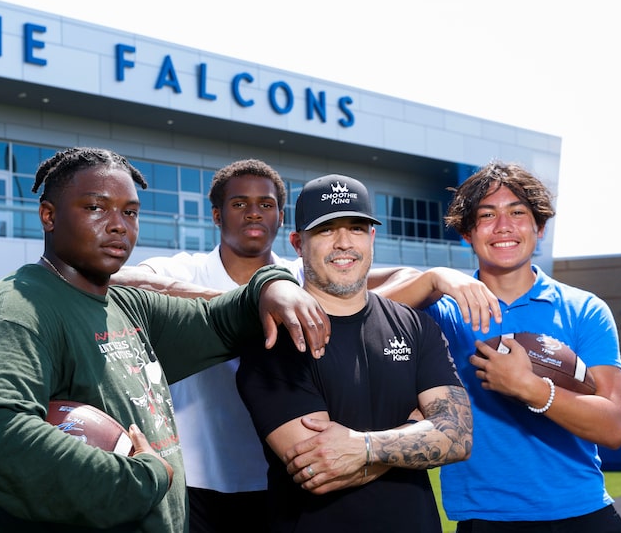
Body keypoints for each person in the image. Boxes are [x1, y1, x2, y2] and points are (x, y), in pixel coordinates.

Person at [0, 147, 331, 533]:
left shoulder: (127, 305)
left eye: (129, 212)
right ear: (48, 215)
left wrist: (272, 283)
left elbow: (222, 320)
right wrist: (141, 478)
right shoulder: (19, 307)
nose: (118, 225)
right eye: (96, 208)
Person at [111, 159, 433, 532]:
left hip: (281, 478)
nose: (253, 213)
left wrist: (439, 276)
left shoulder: (307, 276)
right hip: (196, 476)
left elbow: (407, 277)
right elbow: (119, 281)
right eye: (239, 204)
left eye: (265, 205)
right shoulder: (184, 269)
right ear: (216, 215)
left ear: (281, 218)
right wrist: (251, 302)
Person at [393, 160, 621, 532]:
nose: (503, 226)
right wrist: (433, 278)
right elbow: (361, 314)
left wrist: (531, 389)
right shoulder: (442, 312)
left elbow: (615, 427)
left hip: (582, 514)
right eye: (487, 215)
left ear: (539, 227)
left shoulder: (584, 309)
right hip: (486, 519)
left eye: (517, 212)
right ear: (467, 233)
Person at [235, 173, 474, 532]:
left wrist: (362, 447)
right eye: (327, 230)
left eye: (357, 228)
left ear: (372, 237)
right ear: (298, 243)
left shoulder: (416, 326)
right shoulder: (273, 340)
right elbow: (319, 467)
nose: (344, 243)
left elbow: (458, 435)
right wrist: (416, 428)